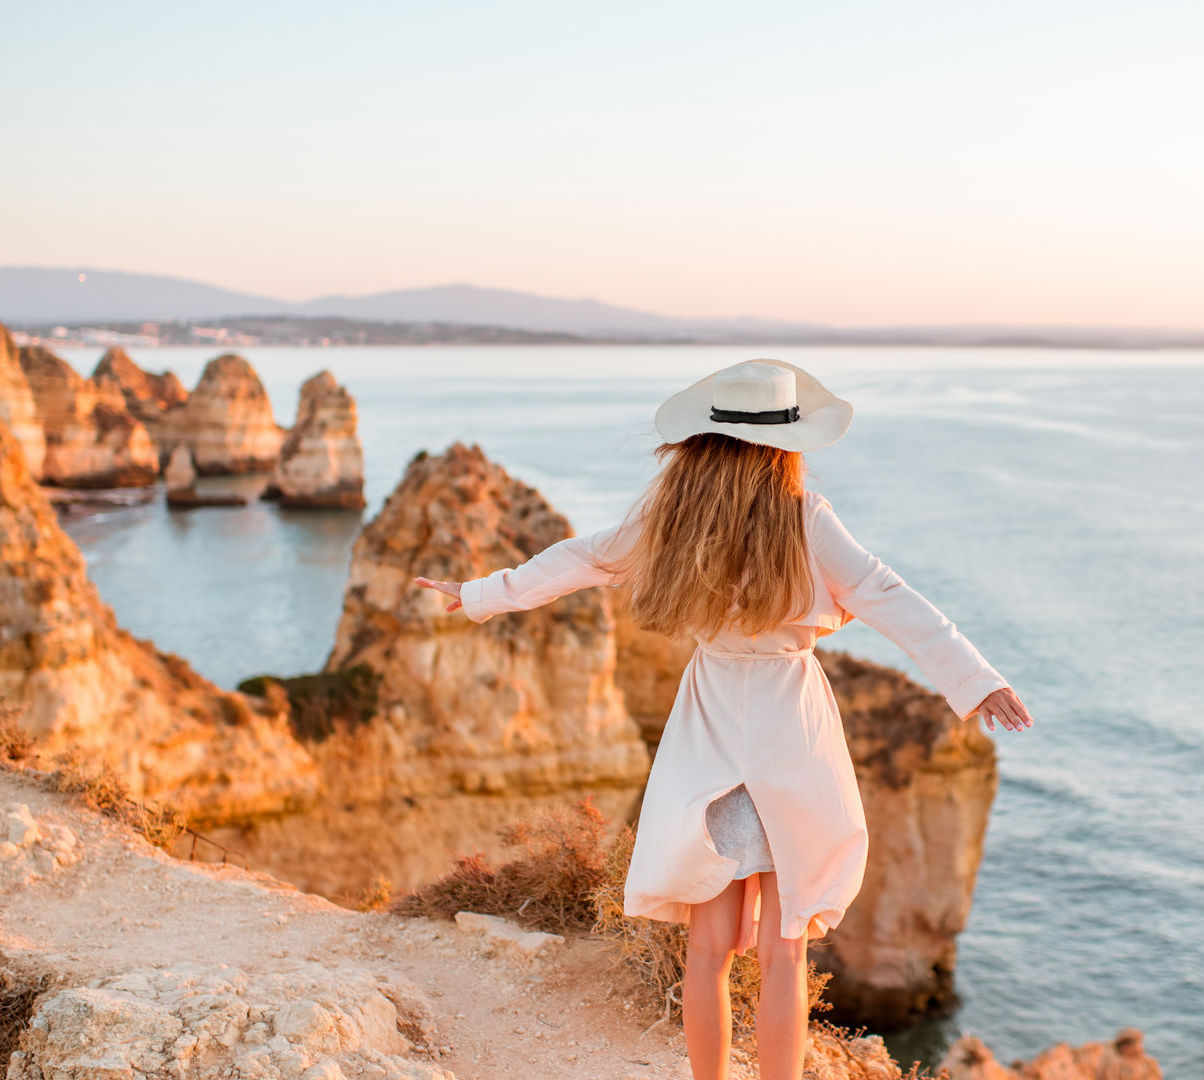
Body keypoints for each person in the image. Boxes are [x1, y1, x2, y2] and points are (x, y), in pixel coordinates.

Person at [415, 359, 1032, 1080]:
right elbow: (891, 597)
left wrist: (482, 593)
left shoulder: (671, 516)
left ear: (707, 437)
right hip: (790, 734)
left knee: (709, 951)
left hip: (709, 726)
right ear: (786, 443)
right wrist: (976, 681)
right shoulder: (808, 520)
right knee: (785, 950)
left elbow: (580, 560)